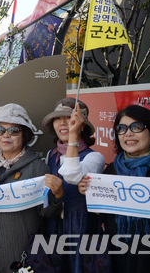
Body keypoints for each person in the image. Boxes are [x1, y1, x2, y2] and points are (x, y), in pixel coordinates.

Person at [79, 105, 150, 273]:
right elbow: (102, 217)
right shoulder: (111, 170)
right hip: (118, 259)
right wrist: (90, 196)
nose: (128, 133)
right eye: (122, 128)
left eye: (137, 127)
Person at [0, 103, 64, 273]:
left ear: (25, 135)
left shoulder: (38, 168)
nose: (6, 135)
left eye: (14, 130)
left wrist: (57, 196)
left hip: (20, 250)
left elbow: (46, 213)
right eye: (0, 130)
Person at [41, 98, 106, 272]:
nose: (62, 123)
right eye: (57, 118)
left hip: (80, 226)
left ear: (81, 125)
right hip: (54, 226)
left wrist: (73, 138)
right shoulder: (50, 155)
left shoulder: (95, 158)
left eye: (69, 118)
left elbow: (72, 175)